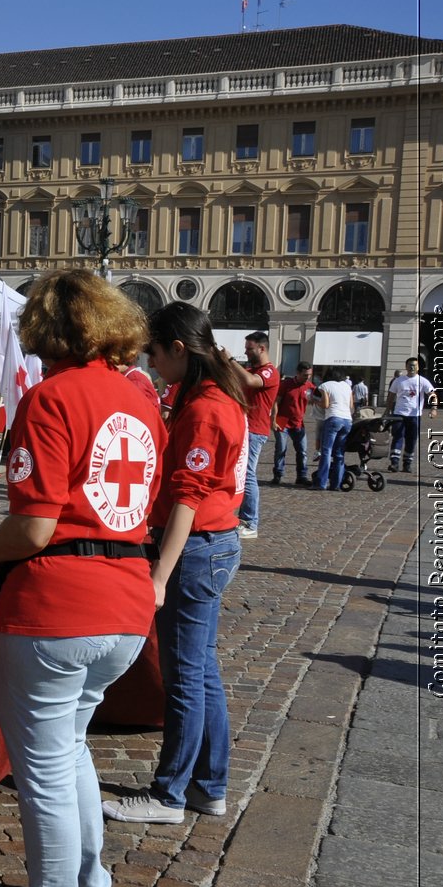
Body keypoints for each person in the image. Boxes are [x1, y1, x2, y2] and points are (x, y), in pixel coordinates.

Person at [0, 270, 164, 887]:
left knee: (43, 769)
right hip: (127, 603)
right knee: (71, 748)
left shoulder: (50, 399)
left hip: (55, 607)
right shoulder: (141, 402)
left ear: (47, 333)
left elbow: (35, 526)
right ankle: (92, 886)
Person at [103, 302, 246, 825]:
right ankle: (209, 786)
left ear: (179, 349)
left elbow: (188, 496)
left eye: (156, 354)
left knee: (184, 678)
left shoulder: (208, 406)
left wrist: (160, 574)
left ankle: (169, 794)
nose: (153, 365)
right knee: (201, 673)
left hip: (196, 548)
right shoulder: (206, 394)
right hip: (209, 543)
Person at [233, 331, 277, 540]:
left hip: (256, 430)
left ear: (262, 348)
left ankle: (251, 522)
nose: (246, 351)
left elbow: (251, 382)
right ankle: (242, 519)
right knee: (240, 473)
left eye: (249, 348)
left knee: (248, 474)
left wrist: (230, 361)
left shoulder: (269, 372)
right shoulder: (252, 369)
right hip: (244, 427)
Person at [388, 356, 438, 472]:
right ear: (406, 367)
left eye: (414, 365)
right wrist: (387, 410)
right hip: (399, 413)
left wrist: (434, 408)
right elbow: (391, 396)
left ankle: (407, 463)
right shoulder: (399, 380)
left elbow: (432, 395)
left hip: (414, 416)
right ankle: (394, 463)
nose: (412, 367)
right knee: (397, 437)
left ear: (418, 367)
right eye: (410, 365)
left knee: (411, 439)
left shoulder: (423, 381)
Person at [272, 361, 314, 486]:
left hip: (298, 423)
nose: (308, 377)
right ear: (298, 373)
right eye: (305, 375)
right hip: (282, 421)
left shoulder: (310, 387)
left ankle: (302, 476)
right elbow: (276, 402)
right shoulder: (286, 384)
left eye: (310, 375)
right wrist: (273, 419)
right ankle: (278, 474)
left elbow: (318, 401)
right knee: (281, 449)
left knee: (302, 451)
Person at [314, 368, 356, 490]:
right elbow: (351, 405)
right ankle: (336, 484)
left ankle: (321, 483)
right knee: (339, 453)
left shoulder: (325, 385)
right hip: (347, 420)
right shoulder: (346, 386)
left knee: (326, 451)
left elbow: (325, 405)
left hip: (333, 418)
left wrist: (315, 401)